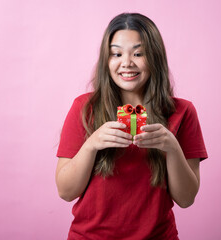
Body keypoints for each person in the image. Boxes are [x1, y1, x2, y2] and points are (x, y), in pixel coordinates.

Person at [55, 12, 208, 240]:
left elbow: (186, 199)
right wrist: (91, 145)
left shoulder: (183, 112)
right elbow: (66, 192)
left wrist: (172, 148)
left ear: (154, 57)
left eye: (138, 53)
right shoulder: (84, 108)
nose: (126, 63)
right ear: (106, 60)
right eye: (116, 53)